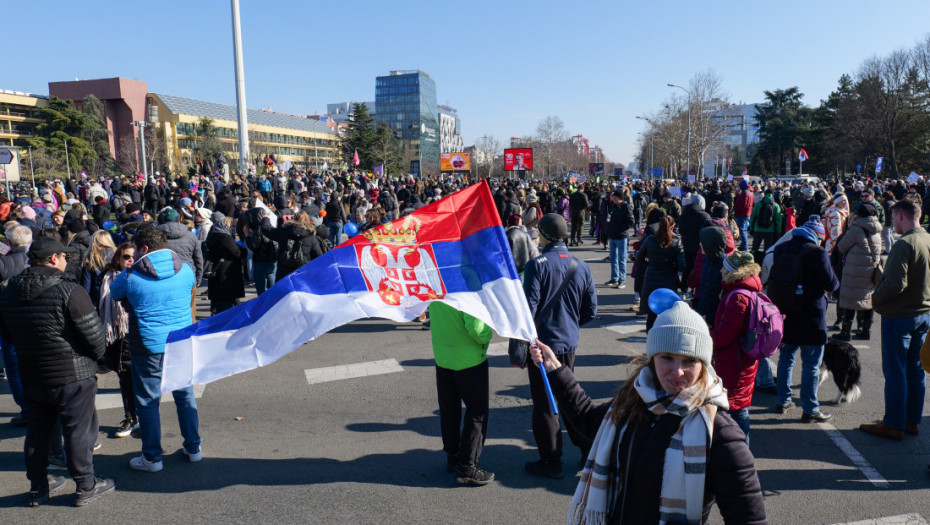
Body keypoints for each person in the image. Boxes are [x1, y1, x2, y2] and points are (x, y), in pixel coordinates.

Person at [530, 302, 767, 524]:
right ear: (653, 359)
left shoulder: (720, 432)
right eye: (667, 358)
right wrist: (556, 369)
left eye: (689, 360)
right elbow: (586, 420)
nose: (678, 371)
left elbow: (749, 518)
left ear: (704, 364)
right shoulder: (633, 401)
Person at [0, 237, 114, 507]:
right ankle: (85, 484)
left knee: (39, 430)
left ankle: (38, 486)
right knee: (79, 430)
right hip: (72, 373)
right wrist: (97, 361)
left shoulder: (8, 290)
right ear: (54, 259)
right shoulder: (69, 290)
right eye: (63, 257)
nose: (65, 261)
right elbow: (95, 336)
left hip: (33, 372)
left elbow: (8, 334)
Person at [110, 227, 201, 472]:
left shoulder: (131, 276)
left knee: (148, 402)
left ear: (145, 249)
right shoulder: (185, 270)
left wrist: (130, 270)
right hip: (180, 341)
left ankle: (152, 457)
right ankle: (193, 447)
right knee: (185, 396)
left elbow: (115, 293)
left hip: (148, 344)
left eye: (136, 250)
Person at [522, 213, 597, 479]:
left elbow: (528, 309)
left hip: (542, 346)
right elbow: (591, 310)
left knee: (545, 404)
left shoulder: (537, 264)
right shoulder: (581, 264)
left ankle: (551, 459)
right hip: (568, 342)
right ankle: (588, 450)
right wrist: (571, 324)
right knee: (568, 396)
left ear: (542, 234)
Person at [860, 199, 930, 441]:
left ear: (900, 215)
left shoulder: (905, 243)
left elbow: (895, 283)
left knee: (896, 371)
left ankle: (894, 424)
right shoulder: (927, 239)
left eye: (892, 218)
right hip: (923, 313)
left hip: (900, 316)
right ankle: (911, 421)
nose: (892, 223)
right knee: (916, 370)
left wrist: (874, 300)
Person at [770, 223, 838, 422]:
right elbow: (830, 283)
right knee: (811, 364)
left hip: (786, 312)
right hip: (811, 315)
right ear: (817, 237)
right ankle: (810, 409)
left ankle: (783, 401)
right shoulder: (817, 253)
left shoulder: (782, 248)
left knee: (786, 357)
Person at [428, 301, 494, 486]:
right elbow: (475, 327)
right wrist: (487, 336)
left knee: (449, 408)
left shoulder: (438, 280)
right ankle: (467, 466)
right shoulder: (467, 279)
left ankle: (453, 455)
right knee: (477, 411)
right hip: (469, 359)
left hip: (443, 355)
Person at [709, 251, 762, 441]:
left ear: (733, 272)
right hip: (742, 359)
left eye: (726, 267)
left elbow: (725, 334)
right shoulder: (744, 290)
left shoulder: (737, 297)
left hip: (734, 361)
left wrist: (706, 338)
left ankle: (741, 453)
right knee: (738, 407)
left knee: (736, 410)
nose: (721, 269)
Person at [99, 242, 137, 437]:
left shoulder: (141, 277)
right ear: (117, 259)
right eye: (125, 257)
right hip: (117, 336)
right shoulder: (107, 278)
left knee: (138, 378)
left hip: (138, 334)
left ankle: (137, 417)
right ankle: (131, 417)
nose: (130, 260)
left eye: (133, 256)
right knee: (125, 377)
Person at [834, 202, 882, 341]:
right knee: (867, 300)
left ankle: (845, 332)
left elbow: (841, 247)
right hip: (871, 271)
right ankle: (866, 331)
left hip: (855, 270)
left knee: (851, 300)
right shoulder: (877, 229)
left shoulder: (856, 229)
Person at [635, 216, 685, 330]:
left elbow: (640, 257)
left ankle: (650, 339)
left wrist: (650, 265)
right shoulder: (676, 241)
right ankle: (665, 338)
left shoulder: (650, 240)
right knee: (669, 312)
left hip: (651, 276)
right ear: (673, 227)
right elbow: (682, 265)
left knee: (651, 314)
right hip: (669, 278)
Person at [205, 216, 246, 314]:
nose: (232, 228)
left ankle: (215, 315)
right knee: (226, 300)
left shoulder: (212, 235)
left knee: (217, 298)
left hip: (217, 269)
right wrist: (243, 249)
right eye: (231, 226)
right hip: (226, 271)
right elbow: (237, 253)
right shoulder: (225, 237)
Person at [604, 189, 635, 288]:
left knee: (621, 259)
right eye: (613, 197)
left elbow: (631, 221)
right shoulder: (613, 207)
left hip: (621, 236)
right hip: (612, 236)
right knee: (613, 258)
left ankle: (622, 280)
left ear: (620, 198)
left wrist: (620, 229)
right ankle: (614, 278)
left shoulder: (626, 207)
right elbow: (609, 218)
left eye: (615, 197)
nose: (613, 199)